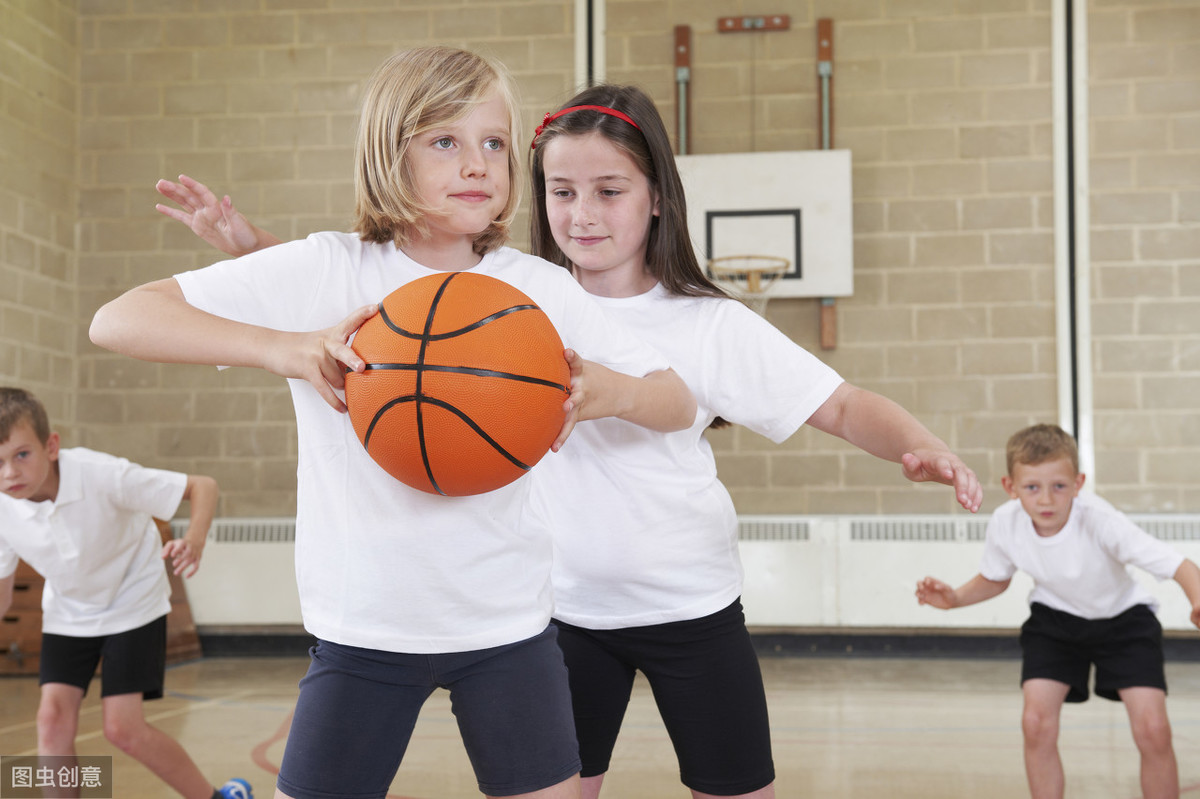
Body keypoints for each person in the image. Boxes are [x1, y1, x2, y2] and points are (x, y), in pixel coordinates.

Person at [152, 83, 982, 799]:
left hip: (689, 605)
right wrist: (260, 258)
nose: (582, 214)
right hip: (560, 611)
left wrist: (919, 443)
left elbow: (837, 404)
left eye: (609, 191)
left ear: (658, 196)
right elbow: (392, 329)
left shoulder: (705, 324)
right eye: (561, 191)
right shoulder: (506, 299)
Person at [90, 48, 696, 799]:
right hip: (363, 628)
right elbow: (118, 319)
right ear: (388, 152)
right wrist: (283, 348)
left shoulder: (537, 288)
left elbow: (679, 399)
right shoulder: (326, 270)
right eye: (445, 141)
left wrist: (610, 390)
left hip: (508, 625)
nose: (476, 163)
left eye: (495, 143)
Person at [916, 423, 1200, 799]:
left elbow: (1179, 565)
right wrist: (954, 598)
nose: (1046, 500)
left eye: (1059, 486)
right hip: (1055, 622)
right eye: (1032, 487)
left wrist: (1197, 599)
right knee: (1035, 723)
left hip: (1124, 622)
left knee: (1153, 730)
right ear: (1010, 487)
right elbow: (996, 578)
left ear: (1078, 483)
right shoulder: (1006, 522)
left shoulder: (1100, 520)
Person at [0, 388, 252, 799]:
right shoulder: (4, 507)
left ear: (52, 445)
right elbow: (3, 595)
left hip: (134, 603)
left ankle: (214, 797)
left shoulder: (103, 474)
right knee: (51, 721)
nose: (9, 473)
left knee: (123, 729)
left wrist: (195, 539)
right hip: (70, 611)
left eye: (22, 455)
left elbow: (201, 486)